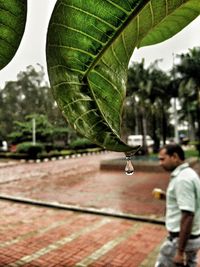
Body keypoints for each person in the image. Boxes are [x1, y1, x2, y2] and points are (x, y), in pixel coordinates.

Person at [155, 144, 200, 267]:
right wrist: (168, 197)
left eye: (162, 159)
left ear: (174, 156)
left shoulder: (183, 179)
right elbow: (190, 203)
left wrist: (180, 252)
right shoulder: (189, 173)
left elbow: (188, 215)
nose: (160, 163)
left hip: (180, 240)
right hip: (191, 238)